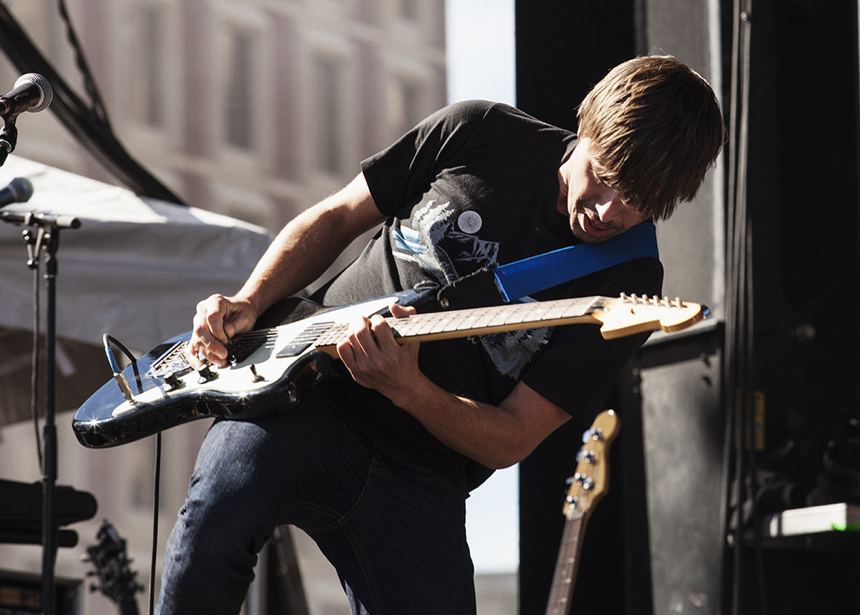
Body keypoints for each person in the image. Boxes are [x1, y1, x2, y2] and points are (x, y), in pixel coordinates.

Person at [156, 55, 724, 614]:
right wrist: (250, 300)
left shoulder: (631, 281)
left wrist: (408, 388)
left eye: (638, 204)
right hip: (305, 394)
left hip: (421, 472)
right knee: (213, 523)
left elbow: (513, 438)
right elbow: (334, 218)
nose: (607, 211)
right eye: (602, 177)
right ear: (585, 126)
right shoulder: (479, 130)